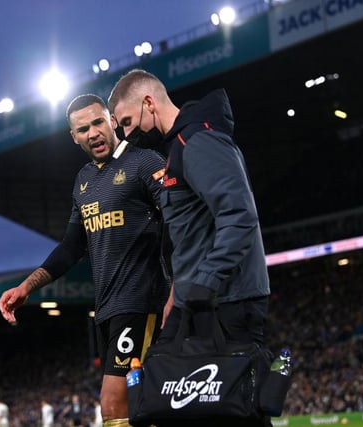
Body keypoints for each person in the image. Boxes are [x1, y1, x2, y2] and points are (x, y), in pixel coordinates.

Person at [108, 69, 272, 424]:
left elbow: (240, 216)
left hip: (225, 302)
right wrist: (177, 295)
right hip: (195, 301)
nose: (124, 134)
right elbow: (191, 236)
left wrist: (204, 284)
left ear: (148, 103)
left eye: (125, 122)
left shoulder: (198, 142)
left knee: (237, 412)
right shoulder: (178, 149)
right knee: (180, 410)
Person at [0, 94, 170, 427]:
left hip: (140, 301)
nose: (93, 133)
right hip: (107, 309)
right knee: (142, 406)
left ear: (112, 121)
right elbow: (71, 247)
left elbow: (181, 218)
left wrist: (178, 285)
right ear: (74, 138)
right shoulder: (84, 181)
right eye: (83, 129)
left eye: (97, 122)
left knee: (113, 402)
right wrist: (26, 286)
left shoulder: (144, 163)